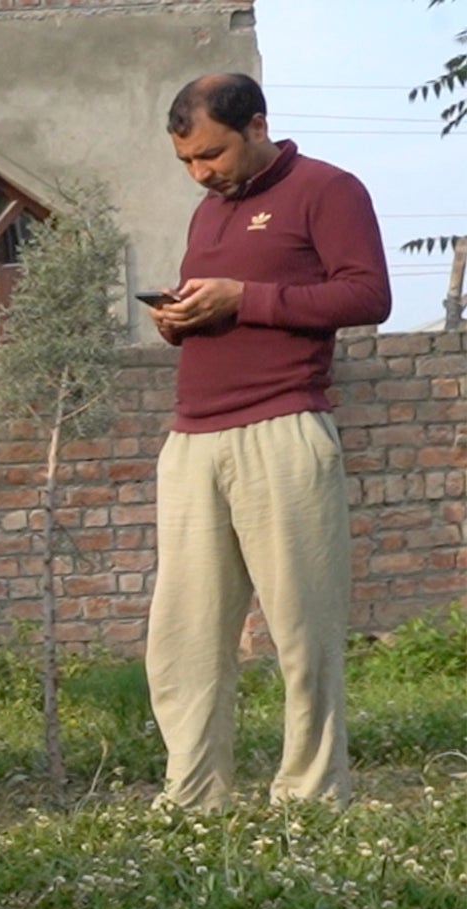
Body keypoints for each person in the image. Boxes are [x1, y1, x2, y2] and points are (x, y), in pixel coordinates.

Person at [145, 73, 390, 809]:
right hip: (192, 438)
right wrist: (181, 318)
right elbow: (223, 305)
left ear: (257, 125)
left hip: (282, 427)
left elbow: (367, 294)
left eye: (212, 155)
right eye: (187, 162)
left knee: (301, 634)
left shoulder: (328, 188)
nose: (201, 173)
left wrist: (242, 298)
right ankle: (193, 795)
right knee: (182, 639)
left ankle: (311, 796)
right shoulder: (205, 214)